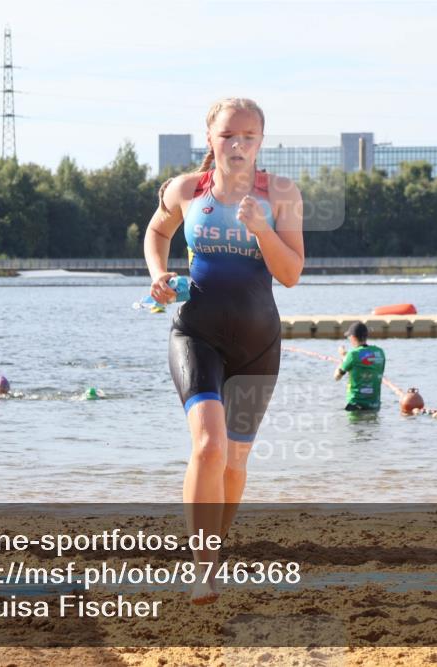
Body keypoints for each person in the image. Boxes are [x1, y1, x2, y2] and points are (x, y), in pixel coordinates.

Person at [143, 97, 304, 604]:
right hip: (197, 335)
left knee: (234, 464)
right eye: (228, 135)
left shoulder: (280, 194)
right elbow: (156, 230)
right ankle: (202, 570)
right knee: (208, 446)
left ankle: (213, 547)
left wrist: (261, 229)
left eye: (249, 136)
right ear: (209, 139)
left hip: (258, 344)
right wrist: (158, 276)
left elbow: (292, 273)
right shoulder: (187, 190)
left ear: (261, 141)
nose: (238, 144)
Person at [335, 322, 386, 411]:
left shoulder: (352, 354)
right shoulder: (380, 352)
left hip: (355, 406)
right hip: (374, 406)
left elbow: (337, 377)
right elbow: (365, 360)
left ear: (353, 337)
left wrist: (343, 358)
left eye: (349, 337)